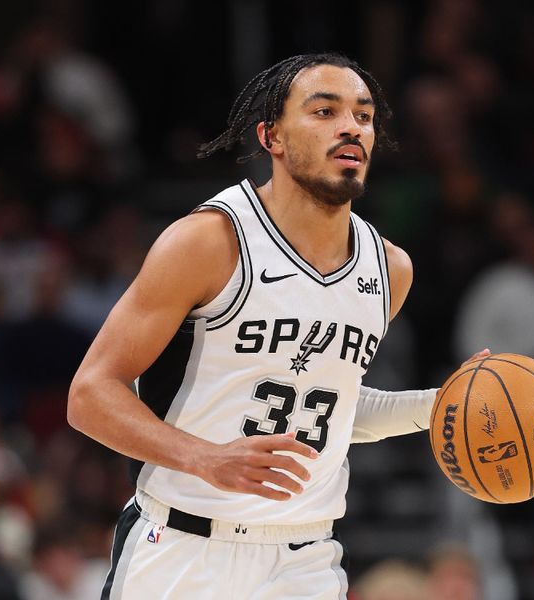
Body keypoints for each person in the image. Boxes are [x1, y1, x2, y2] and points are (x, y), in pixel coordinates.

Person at [68, 53, 485, 600]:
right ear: (272, 137)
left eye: (363, 116)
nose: (350, 127)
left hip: (304, 561)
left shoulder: (389, 269)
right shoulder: (208, 242)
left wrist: (443, 404)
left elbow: (331, 410)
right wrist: (206, 458)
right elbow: (89, 394)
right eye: (324, 111)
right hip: (183, 549)